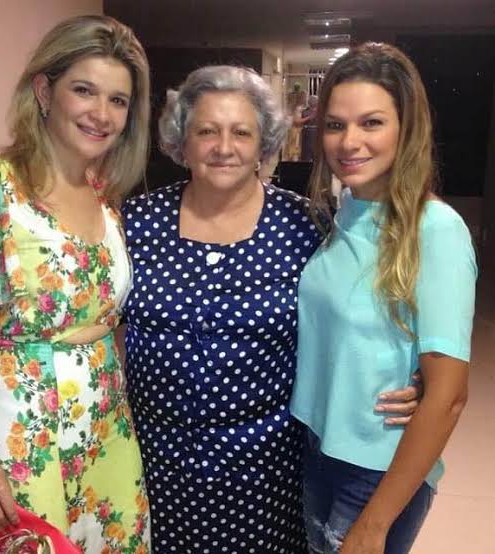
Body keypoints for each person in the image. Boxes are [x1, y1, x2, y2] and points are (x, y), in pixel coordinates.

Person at [121, 64, 421, 554]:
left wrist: (413, 373)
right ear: (181, 140)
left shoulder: (307, 225)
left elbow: (355, 310)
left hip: (267, 471)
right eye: (206, 131)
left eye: (242, 132)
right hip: (153, 462)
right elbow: (96, 315)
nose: (224, 147)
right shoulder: (135, 223)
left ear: (264, 143)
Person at [0, 15, 151, 553]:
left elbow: (107, 323)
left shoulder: (105, 197)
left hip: (106, 433)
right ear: (43, 91)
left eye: (118, 100)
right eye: (84, 90)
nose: (102, 113)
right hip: (22, 437)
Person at [290, 42, 477, 554]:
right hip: (318, 448)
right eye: (335, 125)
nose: (349, 142)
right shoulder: (341, 214)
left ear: (406, 128)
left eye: (371, 123)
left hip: (377, 469)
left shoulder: (435, 229)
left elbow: (449, 396)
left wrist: (374, 525)